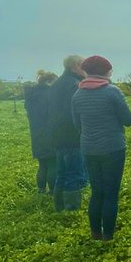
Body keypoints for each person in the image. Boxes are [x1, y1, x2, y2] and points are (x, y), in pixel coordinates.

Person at [71, 55, 131, 241]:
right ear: (105, 72)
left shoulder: (77, 95)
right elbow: (128, 120)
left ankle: (95, 233)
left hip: (89, 149)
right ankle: (108, 235)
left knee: (97, 192)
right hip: (113, 148)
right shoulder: (112, 92)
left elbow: (77, 125)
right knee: (111, 193)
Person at [47, 55, 89, 211]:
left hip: (57, 136)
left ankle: (59, 207)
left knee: (62, 173)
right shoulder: (75, 84)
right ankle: (72, 209)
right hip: (72, 136)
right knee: (74, 174)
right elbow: (74, 112)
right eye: (83, 66)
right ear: (76, 65)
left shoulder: (56, 84)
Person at [23, 69, 58, 193]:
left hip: (36, 133)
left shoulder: (31, 95)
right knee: (53, 163)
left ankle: (41, 189)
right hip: (51, 132)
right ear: (49, 81)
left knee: (42, 164)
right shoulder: (51, 95)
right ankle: (53, 191)